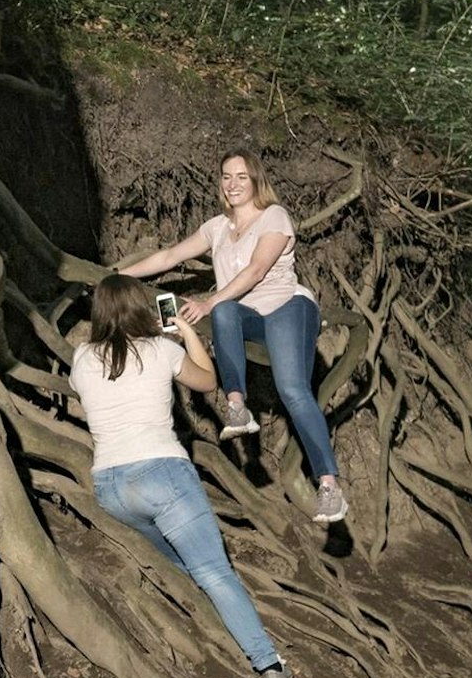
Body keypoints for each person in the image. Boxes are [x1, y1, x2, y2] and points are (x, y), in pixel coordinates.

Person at [71, 275, 293, 678]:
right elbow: (208, 381)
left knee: (178, 563)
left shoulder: (83, 356)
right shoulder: (161, 349)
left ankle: (205, 626)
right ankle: (268, 665)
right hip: (163, 475)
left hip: (111, 489)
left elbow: (83, 388)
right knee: (214, 571)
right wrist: (188, 332)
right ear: (143, 308)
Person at [116, 149, 347, 524]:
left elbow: (256, 271)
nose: (233, 184)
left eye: (242, 176)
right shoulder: (217, 227)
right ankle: (237, 406)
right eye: (227, 176)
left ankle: (329, 486)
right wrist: (119, 274)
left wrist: (208, 301)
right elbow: (169, 256)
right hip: (248, 314)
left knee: (292, 390)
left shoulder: (274, 216)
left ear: (256, 180)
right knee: (224, 310)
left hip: (287, 307)